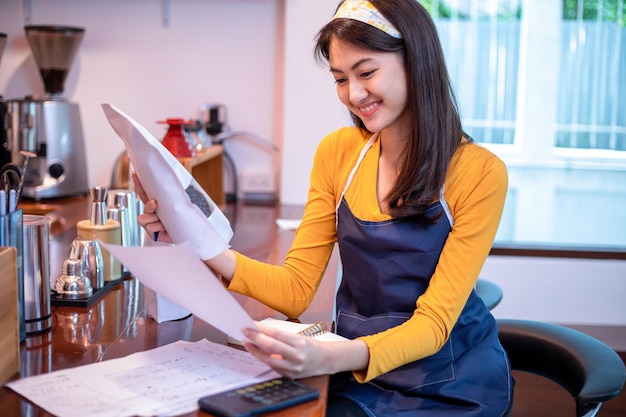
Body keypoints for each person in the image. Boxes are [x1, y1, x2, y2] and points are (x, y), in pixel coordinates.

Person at [136, 0, 512, 415]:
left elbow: (433, 326)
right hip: (359, 372)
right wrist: (199, 243)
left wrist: (329, 359)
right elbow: (296, 289)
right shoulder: (338, 154)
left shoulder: (479, 172)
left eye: (367, 72)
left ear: (416, 59)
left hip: (450, 379)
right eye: (340, 79)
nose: (354, 94)